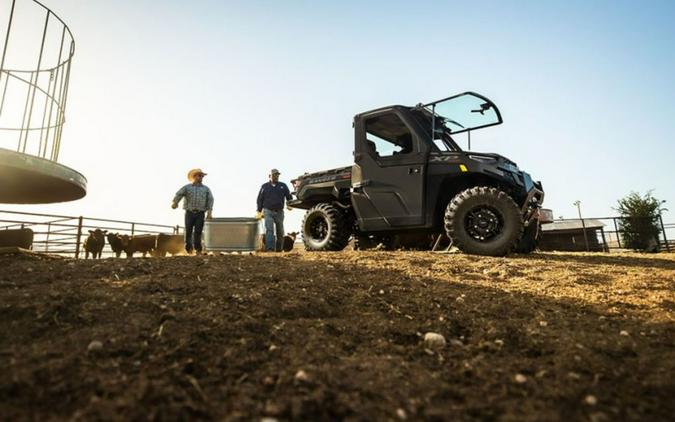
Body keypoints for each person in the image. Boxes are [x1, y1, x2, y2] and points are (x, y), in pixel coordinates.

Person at [172, 168, 214, 255]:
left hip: (200, 213)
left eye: (202, 176)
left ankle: (198, 249)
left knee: (198, 231)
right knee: (188, 231)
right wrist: (175, 202)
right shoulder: (187, 188)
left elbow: (210, 200)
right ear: (194, 176)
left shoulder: (206, 189)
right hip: (189, 212)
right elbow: (179, 194)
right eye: (199, 175)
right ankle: (188, 249)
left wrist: (209, 212)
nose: (201, 177)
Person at [256, 168, 293, 252]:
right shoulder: (264, 186)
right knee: (269, 230)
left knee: (280, 231)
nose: (276, 176)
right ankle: (270, 249)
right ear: (270, 176)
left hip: (279, 212)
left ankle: (279, 249)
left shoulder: (283, 186)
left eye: (277, 175)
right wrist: (259, 211)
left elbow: (289, 196)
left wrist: (290, 204)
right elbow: (260, 199)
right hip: (267, 211)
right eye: (274, 175)